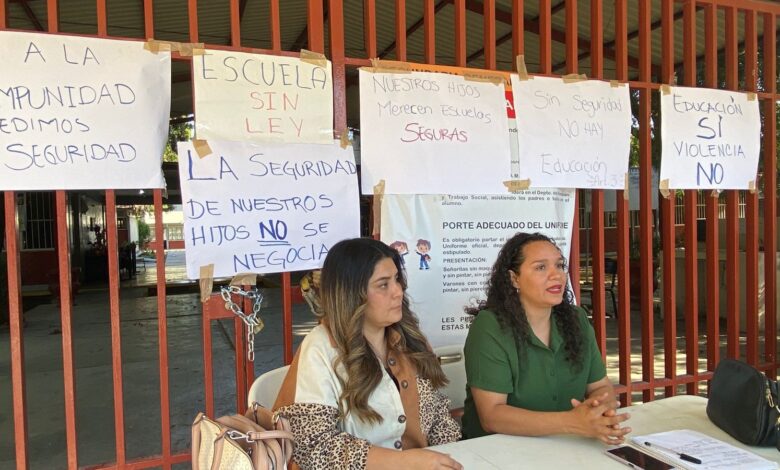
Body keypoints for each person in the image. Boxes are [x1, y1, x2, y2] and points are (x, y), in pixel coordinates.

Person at [274, 238, 462, 470]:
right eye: (383, 284)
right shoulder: (320, 348)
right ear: (352, 294)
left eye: (397, 280)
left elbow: (437, 416)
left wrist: (453, 458)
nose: (398, 292)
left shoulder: (409, 337)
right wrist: (405, 462)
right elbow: (314, 446)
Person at [461, 232, 630, 444]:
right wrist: (573, 422)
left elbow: (600, 387)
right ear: (514, 279)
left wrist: (598, 412)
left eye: (560, 266)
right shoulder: (490, 326)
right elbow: (492, 416)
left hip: (567, 444)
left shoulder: (576, 319)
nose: (556, 275)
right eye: (541, 267)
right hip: (500, 451)